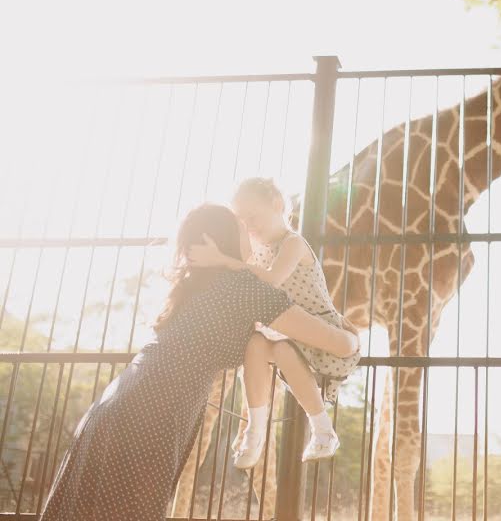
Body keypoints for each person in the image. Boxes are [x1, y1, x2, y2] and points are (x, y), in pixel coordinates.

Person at [39, 203, 352, 521]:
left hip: (119, 405)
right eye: (241, 225)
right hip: (153, 415)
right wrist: (351, 337)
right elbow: (335, 342)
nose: (250, 230)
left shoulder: (198, 283)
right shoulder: (244, 287)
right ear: (227, 239)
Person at [188, 177, 360, 465]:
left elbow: (272, 281)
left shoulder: (293, 243)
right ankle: (254, 432)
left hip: (320, 335)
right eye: (242, 221)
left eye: (253, 216)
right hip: (289, 338)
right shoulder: (255, 252)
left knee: (279, 348)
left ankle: (323, 430)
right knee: (255, 345)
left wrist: (221, 259)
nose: (248, 225)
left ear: (277, 205)